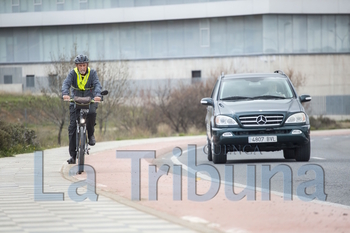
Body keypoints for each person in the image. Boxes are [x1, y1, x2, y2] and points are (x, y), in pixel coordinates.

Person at [62, 54, 102, 164]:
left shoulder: (92, 73)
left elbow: (97, 85)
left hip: (90, 100)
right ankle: (73, 156)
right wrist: (65, 93)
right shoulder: (72, 73)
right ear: (77, 66)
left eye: (84, 65)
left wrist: (98, 95)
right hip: (75, 100)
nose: (82, 68)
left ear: (87, 65)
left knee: (92, 113)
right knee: (72, 127)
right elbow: (66, 83)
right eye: (80, 66)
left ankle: (90, 134)